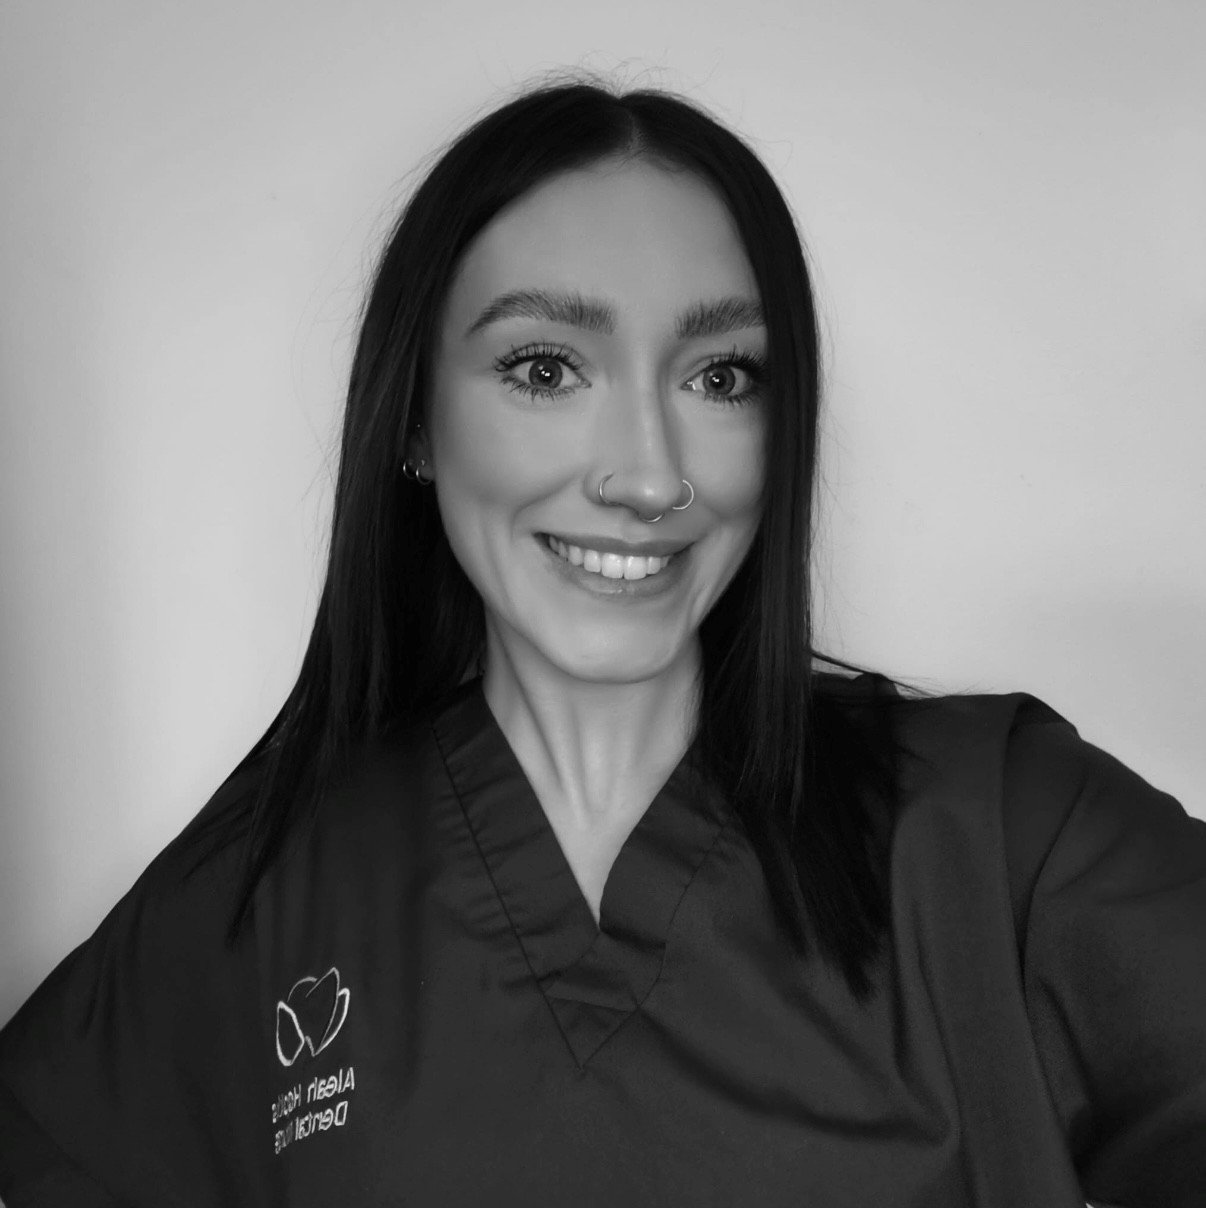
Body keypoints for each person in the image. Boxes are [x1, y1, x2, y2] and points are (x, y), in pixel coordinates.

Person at [0, 72, 1202, 1208]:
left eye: (722, 375)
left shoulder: (1000, 837)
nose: (647, 473)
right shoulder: (264, 900)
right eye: (544, 366)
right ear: (414, 424)